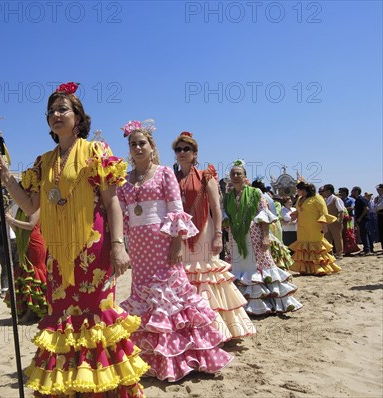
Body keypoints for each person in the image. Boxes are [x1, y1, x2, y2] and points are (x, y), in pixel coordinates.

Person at [0, 82, 148, 397]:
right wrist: (7, 176)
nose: (56, 115)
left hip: (95, 249)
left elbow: (112, 202)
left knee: (97, 315)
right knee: (63, 317)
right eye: (51, 111)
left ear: (78, 117)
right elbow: (31, 205)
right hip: (58, 255)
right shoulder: (43, 162)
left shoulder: (95, 151)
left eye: (63, 109)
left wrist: (118, 245)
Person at [117, 123, 233, 381]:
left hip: (162, 243)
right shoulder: (124, 179)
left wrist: (177, 243)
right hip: (138, 246)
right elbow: (122, 213)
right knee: (144, 295)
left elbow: (175, 208)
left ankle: (184, 356)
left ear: (151, 146)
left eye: (141, 143)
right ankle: (152, 356)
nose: (136, 148)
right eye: (132, 144)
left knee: (172, 296)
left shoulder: (164, 173)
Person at [172, 132, 255, 341]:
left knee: (205, 274)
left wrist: (218, 235)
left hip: (204, 231)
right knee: (185, 276)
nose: (182, 153)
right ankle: (189, 328)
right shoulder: (172, 177)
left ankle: (215, 329)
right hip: (180, 234)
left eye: (186, 149)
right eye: (178, 149)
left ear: (194, 153)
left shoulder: (205, 176)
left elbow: (216, 208)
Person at [223, 161, 302, 315]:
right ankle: (243, 302)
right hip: (236, 238)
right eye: (233, 173)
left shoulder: (255, 193)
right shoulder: (227, 198)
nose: (236, 176)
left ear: (245, 176)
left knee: (260, 264)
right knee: (240, 266)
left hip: (255, 235)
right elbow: (226, 218)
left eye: (239, 173)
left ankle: (268, 302)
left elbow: (264, 215)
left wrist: (265, 237)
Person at [4, 208, 48, 324]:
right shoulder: (20, 209)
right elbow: (18, 229)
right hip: (24, 242)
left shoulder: (35, 207)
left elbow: (30, 225)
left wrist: (12, 220)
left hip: (35, 243)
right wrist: (9, 221)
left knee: (34, 274)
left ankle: (32, 311)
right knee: (25, 274)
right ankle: (29, 310)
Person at [289, 182, 341, 275]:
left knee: (315, 247)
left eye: (298, 189)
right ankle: (305, 269)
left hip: (315, 227)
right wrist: (295, 214)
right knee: (304, 247)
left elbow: (324, 212)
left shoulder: (317, 198)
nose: (297, 191)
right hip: (302, 228)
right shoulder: (300, 199)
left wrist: (324, 225)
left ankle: (319, 268)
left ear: (304, 190)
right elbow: (299, 210)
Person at [251, 179, 294, 270]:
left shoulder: (260, 197)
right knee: (276, 244)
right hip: (275, 224)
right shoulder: (268, 197)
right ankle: (279, 265)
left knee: (268, 246)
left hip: (266, 224)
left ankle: (272, 266)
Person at [0, 221, 18, 293]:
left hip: (15, 243)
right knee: (5, 268)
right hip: (3, 245)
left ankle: (17, 288)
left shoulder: (14, 221)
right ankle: (5, 289)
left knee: (17, 266)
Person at [320, 184, 345, 259]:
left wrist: (340, 221)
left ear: (328, 191)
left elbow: (341, 211)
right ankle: (329, 253)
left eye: (324, 191)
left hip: (335, 222)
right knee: (327, 238)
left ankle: (339, 253)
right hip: (327, 222)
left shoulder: (336, 199)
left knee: (337, 238)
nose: (322, 193)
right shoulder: (325, 200)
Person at [351, 186, 375, 255]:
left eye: (353, 191)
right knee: (365, 234)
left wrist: (360, 217)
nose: (351, 192)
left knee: (364, 234)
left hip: (364, 219)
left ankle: (367, 250)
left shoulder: (361, 199)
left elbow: (366, 209)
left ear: (356, 191)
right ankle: (368, 249)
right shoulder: (357, 200)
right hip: (360, 219)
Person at [339, 187, 360, 255]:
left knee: (350, 234)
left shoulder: (351, 200)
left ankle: (351, 249)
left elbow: (352, 208)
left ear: (345, 192)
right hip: (343, 219)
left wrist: (343, 210)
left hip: (350, 219)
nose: (340, 193)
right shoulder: (339, 200)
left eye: (341, 191)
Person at [375, 184, 383, 252]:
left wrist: (376, 207)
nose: (378, 191)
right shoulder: (378, 197)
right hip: (380, 215)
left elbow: (379, 207)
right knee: (381, 231)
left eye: (379, 189)